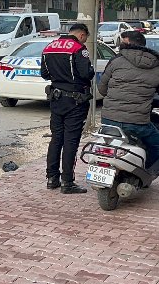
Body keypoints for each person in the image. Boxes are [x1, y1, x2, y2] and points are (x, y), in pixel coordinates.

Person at [40, 23, 94, 194]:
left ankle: (52, 178)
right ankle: (67, 182)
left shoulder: (49, 47)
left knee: (56, 138)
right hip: (75, 101)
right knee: (70, 140)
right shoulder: (79, 48)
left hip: (56, 99)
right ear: (81, 34)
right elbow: (86, 74)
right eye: (86, 36)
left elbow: (44, 74)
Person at [98, 30, 159, 172]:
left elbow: (102, 88)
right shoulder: (155, 66)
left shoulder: (116, 60)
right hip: (138, 123)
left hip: (109, 119)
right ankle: (146, 171)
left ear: (130, 45)